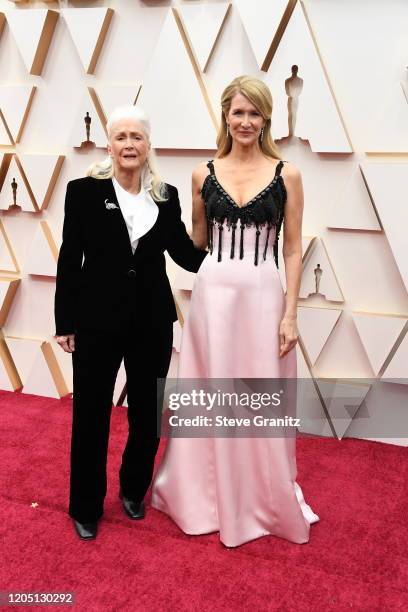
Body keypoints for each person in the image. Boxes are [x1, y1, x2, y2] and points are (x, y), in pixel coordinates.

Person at [152, 76, 319, 547]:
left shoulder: (288, 174)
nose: (245, 121)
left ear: (267, 119)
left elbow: (291, 249)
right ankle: (207, 495)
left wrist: (291, 314)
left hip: (264, 296)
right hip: (213, 296)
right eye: (238, 112)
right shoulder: (201, 174)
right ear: (226, 115)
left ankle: (259, 498)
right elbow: (196, 244)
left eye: (254, 113)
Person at [54, 105, 206, 540]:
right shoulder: (82, 191)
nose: (128, 145)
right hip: (95, 322)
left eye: (136, 137)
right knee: (91, 416)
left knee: (146, 416)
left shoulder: (166, 195)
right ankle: (85, 505)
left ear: (147, 144)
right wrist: (66, 321)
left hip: (152, 321)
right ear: (109, 144)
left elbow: (184, 253)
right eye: (121, 137)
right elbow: (70, 258)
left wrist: (226, 244)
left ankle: (133, 490)